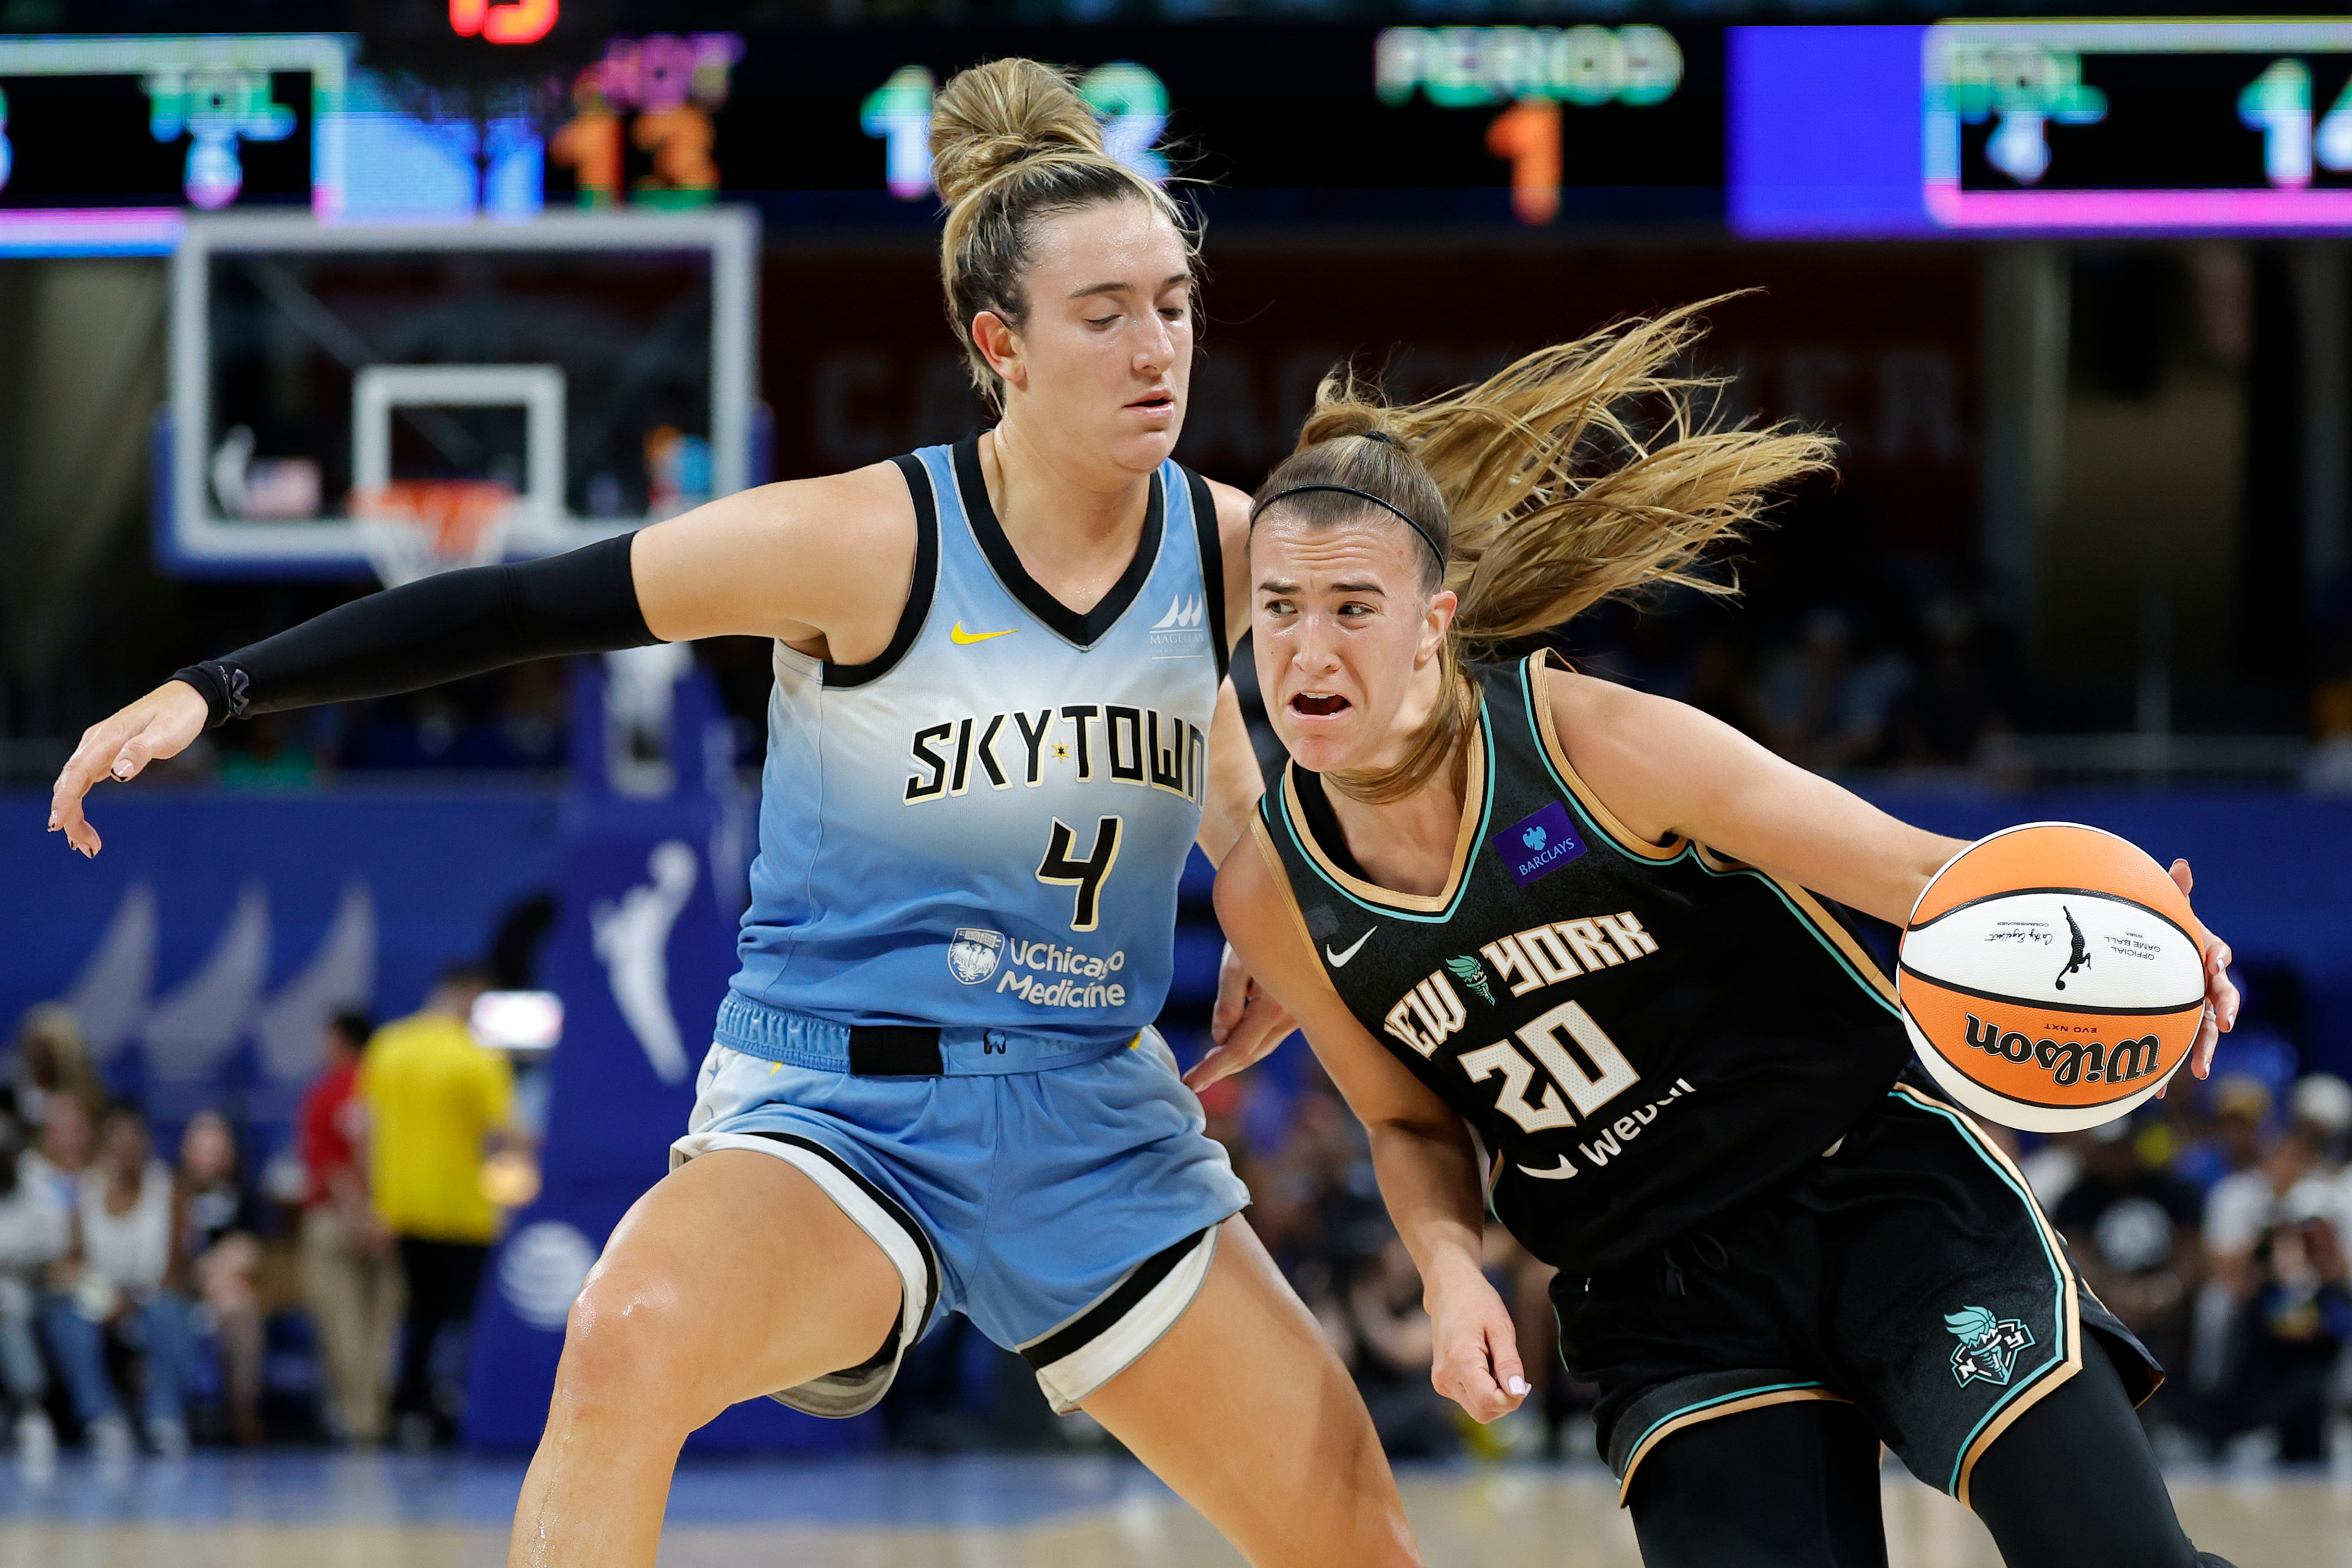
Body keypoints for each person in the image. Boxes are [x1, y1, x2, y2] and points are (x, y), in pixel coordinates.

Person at [45, 58, 1406, 1568]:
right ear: (998, 343)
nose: (1159, 348)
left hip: (1092, 1115)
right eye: (1107, 315)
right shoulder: (855, 542)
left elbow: (1230, 771)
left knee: (1355, 1536)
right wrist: (219, 688)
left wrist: (1271, 888)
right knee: (624, 1336)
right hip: (838, 1114)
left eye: (1173, 301)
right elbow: (522, 602)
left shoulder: (1226, 548)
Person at [1199, 305, 2246, 1567]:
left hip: (1875, 1192)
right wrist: (1448, 1267)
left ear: (1434, 617)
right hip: (1659, 1292)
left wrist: (2136, 928)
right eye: (1278, 609)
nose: (1305, 649)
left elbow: (1924, 874)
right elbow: (1411, 1120)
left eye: (1350, 607)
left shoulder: (1595, 746)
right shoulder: (1270, 889)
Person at [360, 965, 514, 1447]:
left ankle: (405, 1408)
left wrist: (375, 1201)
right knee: (458, 1318)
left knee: (416, 1317)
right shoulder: (478, 1058)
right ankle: (446, 1406)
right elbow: (501, 1138)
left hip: (403, 1208)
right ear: (470, 994)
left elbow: (365, 1129)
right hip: (465, 1211)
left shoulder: (388, 1045)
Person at [42, 1104, 197, 1458]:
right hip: (101, 1298)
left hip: (153, 1297)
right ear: (106, 1147)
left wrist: (136, 1301)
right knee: (68, 1320)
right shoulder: (86, 1191)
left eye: (135, 1143)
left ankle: (165, 1420)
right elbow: (73, 1261)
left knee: (169, 1314)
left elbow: (177, 1268)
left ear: (147, 1145)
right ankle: (102, 1419)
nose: (127, 1152)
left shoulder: (168, 1190)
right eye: (119, 1143)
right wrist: (104, 1300)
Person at [298, 1008, 400, 1445]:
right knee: (381, 1323)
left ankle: (360, 1418)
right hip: (390, 1219)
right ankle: (377, 1410)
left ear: (340, 1040)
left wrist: (358, 1213)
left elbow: (334, 1162)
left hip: (339, 1218)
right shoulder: (390, 1090)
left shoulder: (330, 1092)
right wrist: (380, 1212)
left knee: (343, 1321)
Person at [179, 1109, 267, 1445]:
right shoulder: (173, 1192)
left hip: (229, 1288)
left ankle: (244, 1411)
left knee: (238, 1306)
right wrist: (203, 1275)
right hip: (181, 1287)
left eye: (217, 1147)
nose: (210, 1157)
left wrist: (215, 1272)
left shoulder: (245, 1195)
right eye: (203, 1148)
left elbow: (251, 1250)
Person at [0, 1105, 66, 1460]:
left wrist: (21, 1268)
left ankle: (31, 1409)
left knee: (10, 1305)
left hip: (34, 1295)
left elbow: (57, 1256)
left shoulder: (38, 1186)